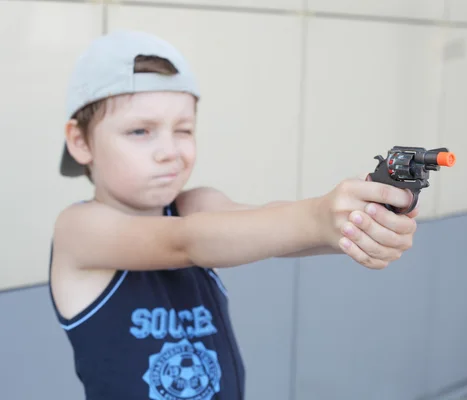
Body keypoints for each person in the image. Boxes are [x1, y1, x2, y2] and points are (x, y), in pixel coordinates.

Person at [49, 30, 419, 400]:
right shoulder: (80, 230)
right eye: (140, 131)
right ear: (80, 141)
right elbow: (186, 242)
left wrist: (353, 224)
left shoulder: (195, 204)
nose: (169, 151)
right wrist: (320, 217)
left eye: (184, 130)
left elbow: (264, 222)